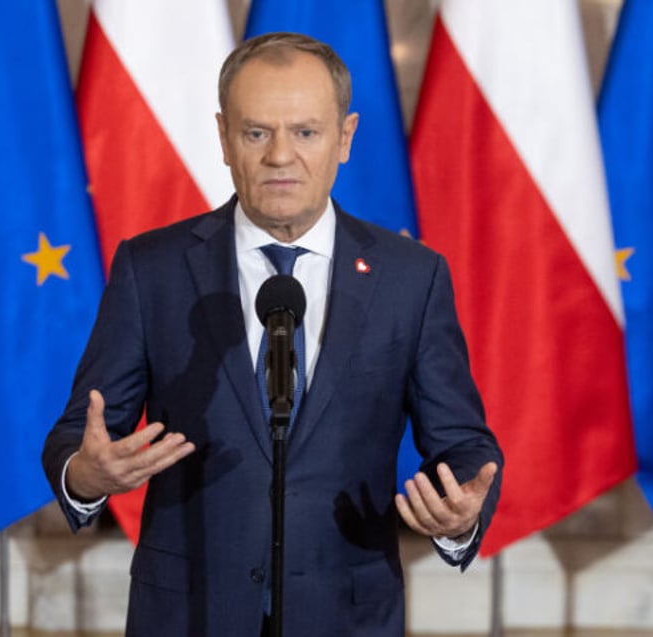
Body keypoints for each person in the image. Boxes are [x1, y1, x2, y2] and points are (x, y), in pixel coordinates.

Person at [43, 31, 502, 637]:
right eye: (256, 132)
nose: (279, 156)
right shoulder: (151, 268)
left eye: (306, 132)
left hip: (348, 616)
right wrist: (86, 476)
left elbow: (462, 443)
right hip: (188, 614)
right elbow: (81, 433)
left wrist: (461, 515)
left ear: (345, 138)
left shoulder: (410, 278)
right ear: (224, 139)